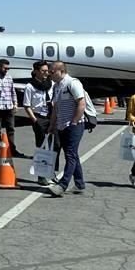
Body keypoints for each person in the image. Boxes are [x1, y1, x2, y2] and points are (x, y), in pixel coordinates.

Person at [47, 61, 87, 196]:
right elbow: (56, 108)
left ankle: (62, 185)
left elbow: (81, 103)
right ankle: (80, 183)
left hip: (75, 125)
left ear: (61, 71)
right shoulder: (57, 86)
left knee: (70, 154)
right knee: (72, 154)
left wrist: (74, 122)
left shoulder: (72, 83)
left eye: (52, 72)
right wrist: (52, 125)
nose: (49, 75)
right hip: (62, 125)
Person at [23, 61, 56, 184]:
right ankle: (41, 175)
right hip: (39, 118)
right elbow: (27, 105)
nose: (46, 73)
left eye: (47, 71)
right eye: (43, 71)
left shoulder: (51, 84)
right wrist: (35, 120)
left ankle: (51, 172)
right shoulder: (30, 87)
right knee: (42, 146)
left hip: (51, 116)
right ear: (36, 71)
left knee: (54, 145)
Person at [0, 58, 23, 157]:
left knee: (11, 128)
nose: (6, 70)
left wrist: (15, 104)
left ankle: (12, 149)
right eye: (5, 68)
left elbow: (13, 91)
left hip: (9, 106)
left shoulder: (9, 78)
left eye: (8, 68)